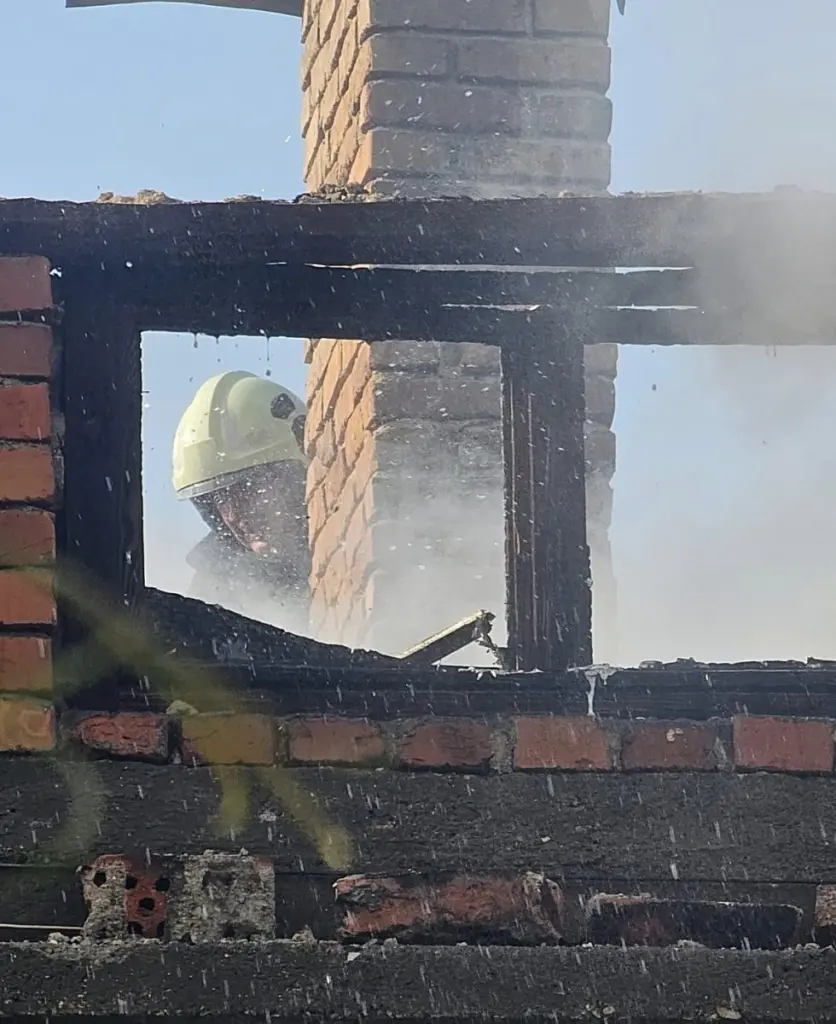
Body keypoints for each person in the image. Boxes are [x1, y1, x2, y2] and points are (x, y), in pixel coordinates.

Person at [172, 370, 310, 630]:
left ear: (298, 478)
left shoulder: (362, 544)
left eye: (246, 487)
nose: (234, 515)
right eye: (220, 499)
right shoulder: (215, 592)